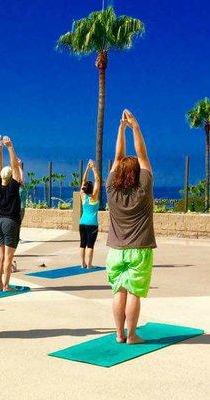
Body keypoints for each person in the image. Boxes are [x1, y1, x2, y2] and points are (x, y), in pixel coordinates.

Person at [106, 110, 156, 345]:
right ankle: (132, 335)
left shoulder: (111, 191)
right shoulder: (143, 190)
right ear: (137, 175)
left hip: (115, 250)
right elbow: (143, 156)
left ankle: (118, 334)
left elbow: (117, 158)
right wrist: (135, 126)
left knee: (119, 290)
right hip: (140, 249)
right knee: (134, 291)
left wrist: (120, 128)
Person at [0, 135, 22, 290]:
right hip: (10, 222)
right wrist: (10, 147)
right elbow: (16, 167)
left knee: (0, 256)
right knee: (8, 258)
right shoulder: (13, 186)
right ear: (12, 176)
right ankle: (6, 285)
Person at [79, 160, 101, 268]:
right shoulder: (94, 197)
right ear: (92, 189)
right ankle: (89, 265)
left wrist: (87, 168)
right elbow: (97, 179)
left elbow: (83, 181)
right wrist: (93, 168)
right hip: (92, 224)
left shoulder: (83, 196)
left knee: (82, 244)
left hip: (82, 223)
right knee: (90, 245)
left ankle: (82, 264)